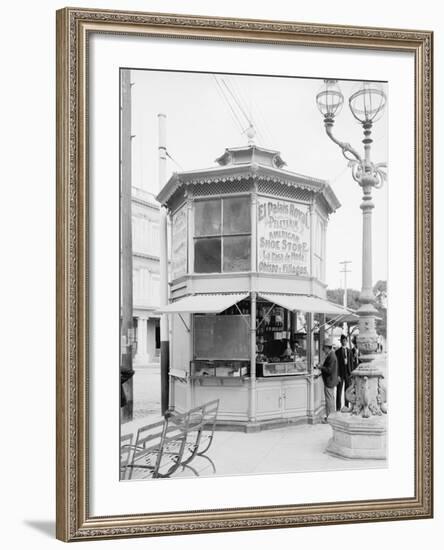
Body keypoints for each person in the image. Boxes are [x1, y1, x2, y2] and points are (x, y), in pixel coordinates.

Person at [320, 337, 338, 422]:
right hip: (331, 380)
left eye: (324, 348)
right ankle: (332, 416)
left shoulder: (331, 356)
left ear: (328, 347)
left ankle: (330, 418)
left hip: (329, 381)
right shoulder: (332, 355)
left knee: (329, 400)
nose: (323, 350)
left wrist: (321, 367)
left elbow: (329, 370)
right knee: (331, 399)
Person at [335, 334, 354, 411]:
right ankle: (338, 407)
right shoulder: (337, 352)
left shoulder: (350, 351)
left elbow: (351, 363)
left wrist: (352, 373)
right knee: (339, 390)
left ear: (347, 341)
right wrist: (337, 375)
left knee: (347, 390)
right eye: (343, 341)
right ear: (341, 342)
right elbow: (336, 365)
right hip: (340, 374)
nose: (344, 342)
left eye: (345, 341)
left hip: (348, 373)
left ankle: (346, 406)